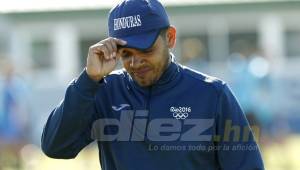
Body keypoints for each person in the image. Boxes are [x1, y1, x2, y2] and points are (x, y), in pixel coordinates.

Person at [41, 0, 264, 169]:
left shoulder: (213, 94)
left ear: (170, 38)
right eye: (126, 53)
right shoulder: (103, 90)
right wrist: (88, 80)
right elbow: (56, 147)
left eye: (146, 50)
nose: (136, 62)